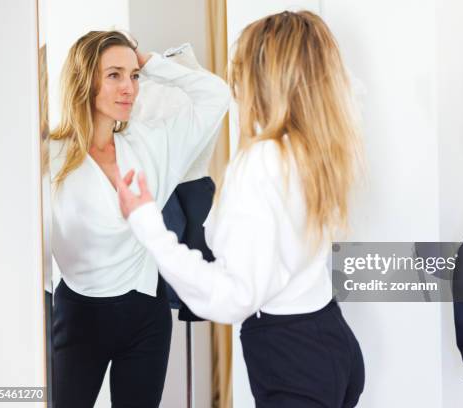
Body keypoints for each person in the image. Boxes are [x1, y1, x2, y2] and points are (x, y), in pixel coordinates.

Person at [116, 11, 366, 407]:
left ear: (264, 79)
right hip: (332, 340)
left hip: (292, 359)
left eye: (242, 70)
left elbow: (234, 297)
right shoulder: (317, 148)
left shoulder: (263, 161)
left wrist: (146, 222)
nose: (236, 85)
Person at [49, 30, 230, 407]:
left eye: (133, 76)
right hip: (79, 315)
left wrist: (150, 63)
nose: (129, 87)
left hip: (145, 315)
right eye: (114, 75)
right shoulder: (51, 157)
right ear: (86, 80)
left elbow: (217, 96)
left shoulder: (152, 144)